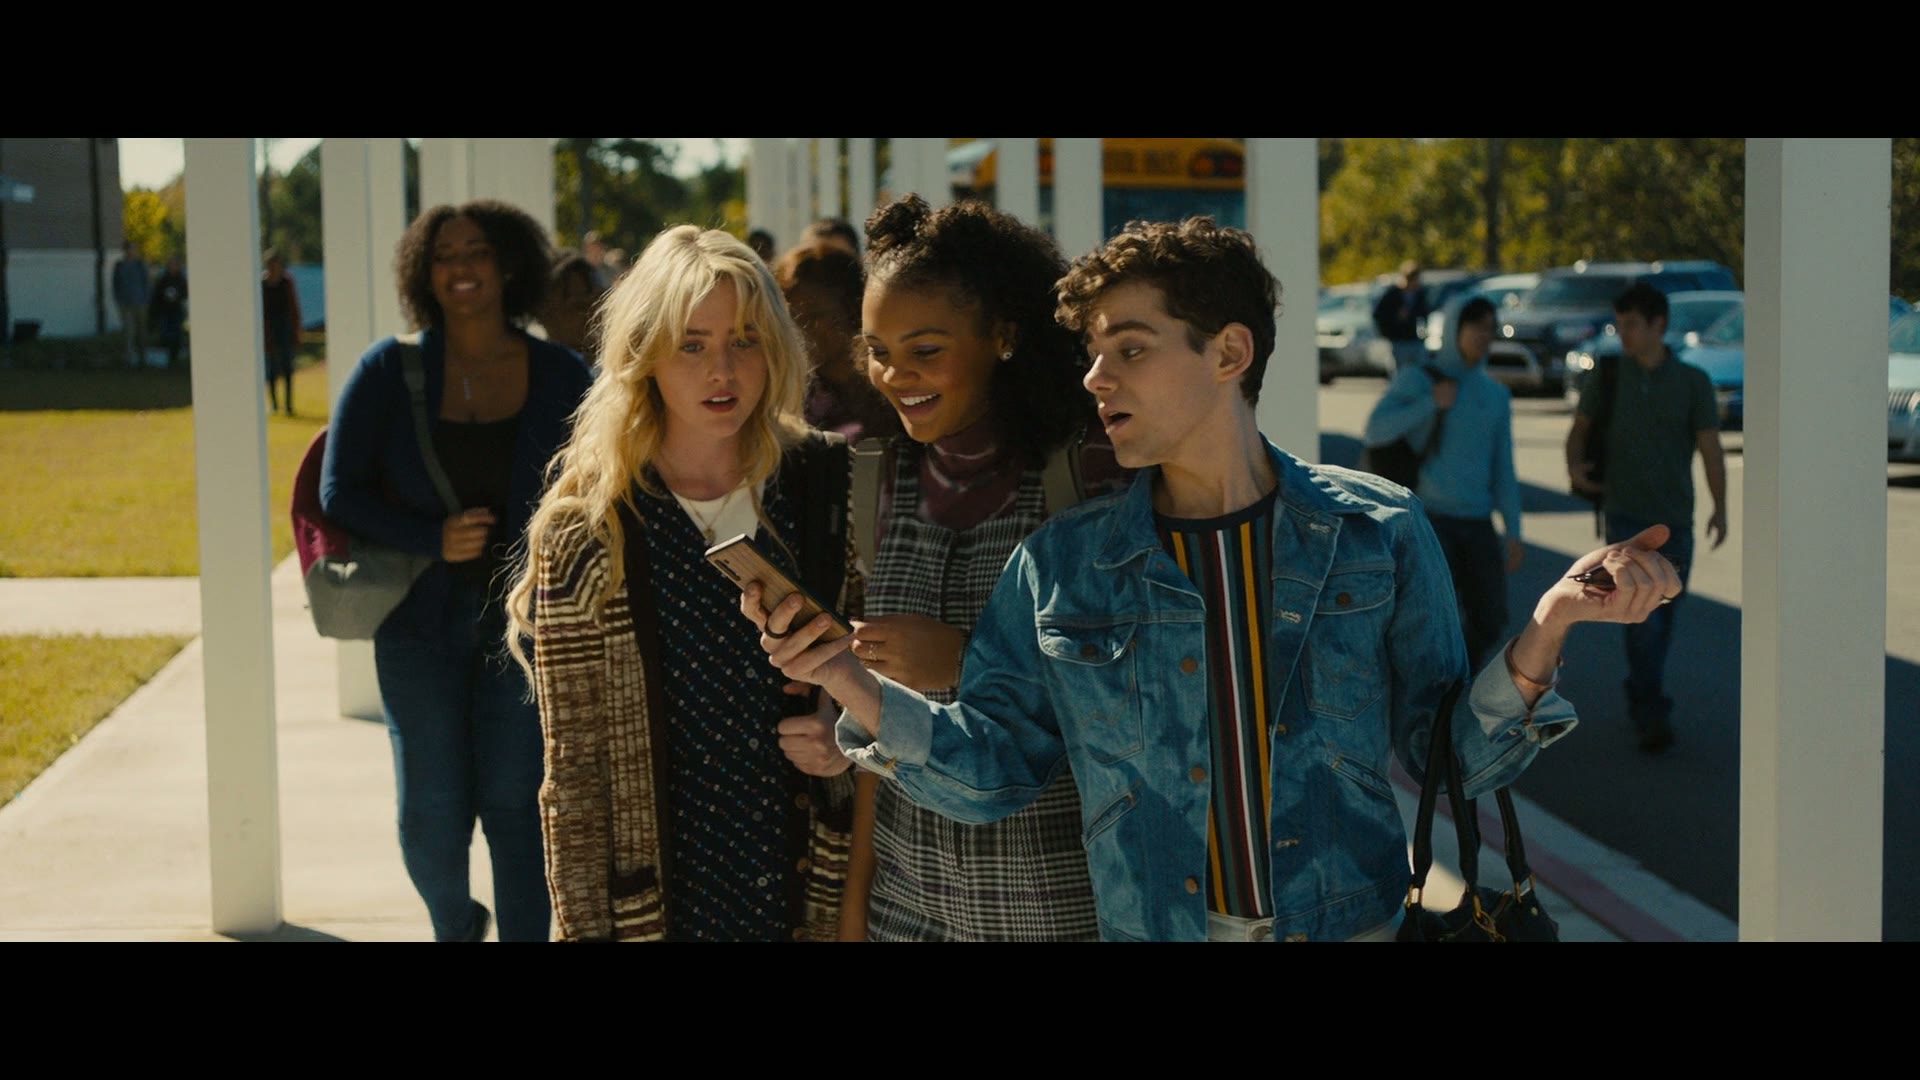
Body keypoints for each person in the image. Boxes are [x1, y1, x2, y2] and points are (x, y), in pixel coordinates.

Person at [743, 216, 1681, 942]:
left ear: (1229, 353)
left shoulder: (1376, 531)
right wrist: (845, 679)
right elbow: (991, 773)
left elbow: (1452, 760)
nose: (1096, 378)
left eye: (1131, 349)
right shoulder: (1063, 565)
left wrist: (1550, 624)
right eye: (1094, 353)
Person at [503, 225, 862, 942]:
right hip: (662, 906)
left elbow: (895, 684)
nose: (722, 370)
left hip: (810, 894)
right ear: (644, 355)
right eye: (691, 345)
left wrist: (847, 738)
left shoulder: (830, 489)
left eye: (745, 340)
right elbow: (574, 781)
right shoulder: (590, 531)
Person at [834, 194, 1130, 941]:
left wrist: (967, 661)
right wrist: (855, 910)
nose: (896, 374)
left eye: (926, 350)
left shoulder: (1091, 477)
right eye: (878, 349)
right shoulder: (877, 482)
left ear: (1003, 335)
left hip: (1061, 912)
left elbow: (1147, 698)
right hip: (906, 914)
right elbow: (876, 739)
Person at [320, 200, 593, 941]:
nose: (461, 267)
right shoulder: (388, 370)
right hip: (417, 625)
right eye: (444, 255)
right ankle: (456, 924)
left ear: (509, 266)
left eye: (477, 251)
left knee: (517, 808)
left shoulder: (561, 374)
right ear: (423, 273)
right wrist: (429, 538)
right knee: (430, 817)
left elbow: (601, 485)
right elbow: (338, 492)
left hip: (527, 630)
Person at [1565, 281, 1727, 753]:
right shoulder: (1609, 377)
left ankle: (1643, 692)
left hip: (1675, 519)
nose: (1624, 333)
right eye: (1620, 324)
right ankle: (1650, 709)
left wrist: (1721, 508)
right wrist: (1575, 468)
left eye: (1632, 324)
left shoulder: (1692, 382)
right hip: (1625, 520)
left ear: (1659, 324)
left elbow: (1711, 449)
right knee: (1642, 619)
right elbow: (1579, 431)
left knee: (1664, 614)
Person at [1363, 294, 1522, 671]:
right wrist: (1431, 403)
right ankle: (1436, 688)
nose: (1483, 335)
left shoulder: (1495, 394)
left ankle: (1453, 681)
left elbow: (1504, 468)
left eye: (1490, 328)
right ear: (1453, 329)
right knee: (1431, 620)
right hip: (1431, 520)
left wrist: (1514, 531)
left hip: (1479, 522)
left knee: (1491, 618)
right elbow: (1375, 430)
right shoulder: (1420, 378)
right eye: (1475, 326)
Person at [772, 242, 899, 444]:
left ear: (852, 310)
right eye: (792, 318)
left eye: (815, 315)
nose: (800, 329)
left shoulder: (894, 381)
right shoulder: (791, 399)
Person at [536, 247, 606, 360]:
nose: (592, 316)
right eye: (579, 307)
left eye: (597, 305)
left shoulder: (614, 364)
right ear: (544, 313)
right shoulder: (528, 367)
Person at [261, 249, 303, 415]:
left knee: (287, 367)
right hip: (269, 328)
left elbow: (294, 307)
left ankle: (288, 405)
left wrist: (296, 331)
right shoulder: (263, 283)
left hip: (285, 326)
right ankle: (274, 404)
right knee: (271, 368)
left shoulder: (286, 282)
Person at [1372, 259, 1430, 373]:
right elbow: (1378, 314)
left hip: (1414, 339)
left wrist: (1423, 332)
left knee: (1417, 372)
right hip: (1398, 340)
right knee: (1401, 372)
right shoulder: (1392, 294)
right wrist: (1392, 322)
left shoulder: (1419, 294)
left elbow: (1424, 314)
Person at [111, 241, 151, 368]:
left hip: (140, 303)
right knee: (128, 331)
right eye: (128, 249)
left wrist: (145, 299)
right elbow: (115, 283)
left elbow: (146, 283)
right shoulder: (119, 265)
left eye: (133, 249)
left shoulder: (140, 265)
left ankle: (143, 358)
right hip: (125, 304)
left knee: (141, 331)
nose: (130, 252)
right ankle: (128, 359)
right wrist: (118, 299)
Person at [149, 256, 189, 370]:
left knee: (176, 334)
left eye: (174, 265)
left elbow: (185, 292)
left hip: (176, 311)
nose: (172, 267)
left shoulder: (181, 279)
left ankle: (175, 355)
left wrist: (177, 297)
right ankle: (166, 357)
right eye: (171, 265)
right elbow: (157, 294)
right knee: (165, 334)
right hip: (165, 311)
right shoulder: (163, 279)